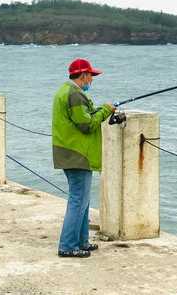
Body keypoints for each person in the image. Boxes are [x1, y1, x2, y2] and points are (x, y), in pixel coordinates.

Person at [52, 58, 116, 258]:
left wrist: (100, 110)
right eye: (91, 76)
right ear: (84, 75)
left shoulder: (67, 91)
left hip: (73, 152)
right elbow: (86, 125)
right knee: (78, 200)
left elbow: (84, 117)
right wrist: (105, 110)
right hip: (77, 154)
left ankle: (81, 241)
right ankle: (68, 246)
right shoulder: (74, 94)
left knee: (83, 200)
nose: (92, 80)